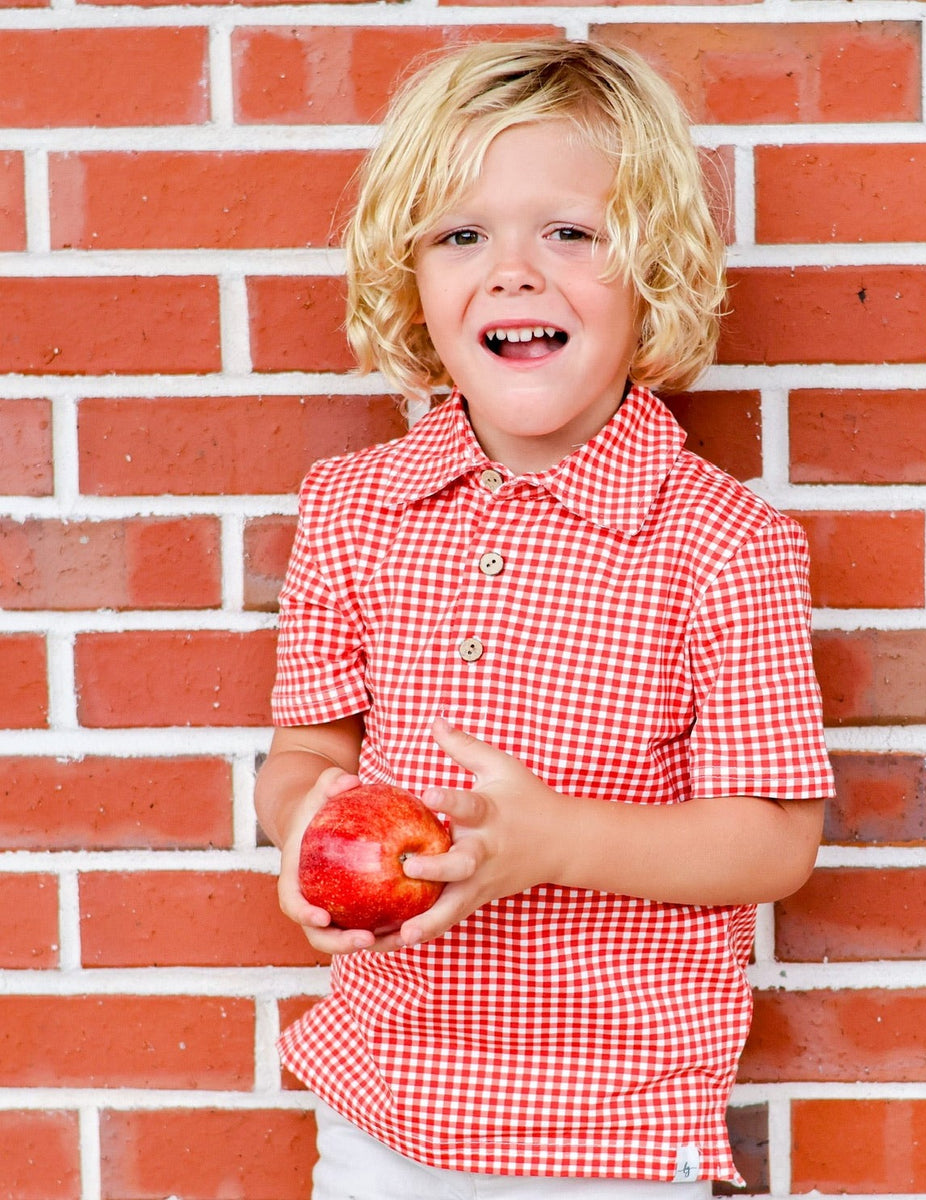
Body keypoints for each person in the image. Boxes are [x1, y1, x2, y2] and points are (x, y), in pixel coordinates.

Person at [255, 38, 835, 1199]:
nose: (514, 271)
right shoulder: (354, 510)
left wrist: (548, 842)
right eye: (461, 236)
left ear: (656, 271)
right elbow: (307, 753)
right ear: (411, 284)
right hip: (384, 1101)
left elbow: (775, 843)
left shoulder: (723, 543)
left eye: (569, 232)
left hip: (609, 1125)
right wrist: (305, 840)